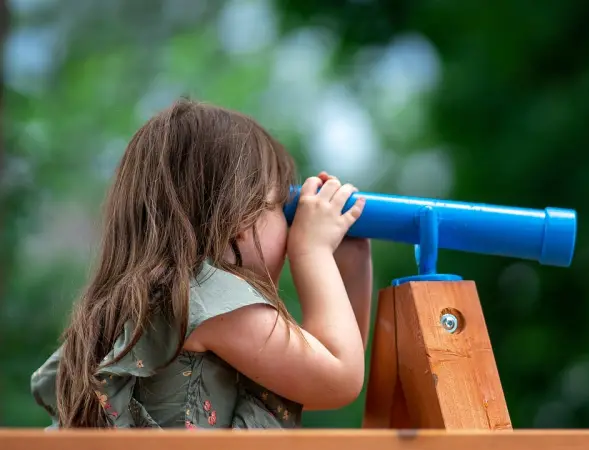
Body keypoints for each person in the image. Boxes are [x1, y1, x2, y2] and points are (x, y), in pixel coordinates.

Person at [30, 98, 373, 429]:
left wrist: (352, 262)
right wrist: (312, 251)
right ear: (238, 217)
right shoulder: (205, 298)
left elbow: (309, 381)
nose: (290, 227)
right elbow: (337, 378)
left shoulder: (157, 298)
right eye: (278, 206)